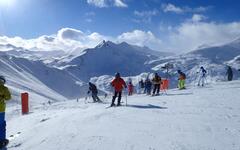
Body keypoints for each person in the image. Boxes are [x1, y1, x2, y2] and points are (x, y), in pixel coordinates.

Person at [0, 76, 11, 148]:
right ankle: (1, 141)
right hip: (1, 110)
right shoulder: (4, 88)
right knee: (1, 125)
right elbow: (8, 97)